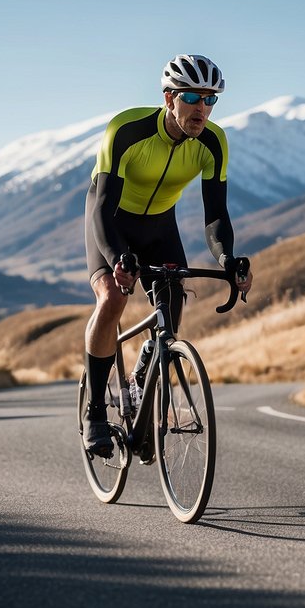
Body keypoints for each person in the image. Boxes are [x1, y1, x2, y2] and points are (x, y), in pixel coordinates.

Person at [82, 53, 253, 457]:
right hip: (112, 219)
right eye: (192, 96)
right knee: (112, 298)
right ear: (169, 97)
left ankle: (142, 379)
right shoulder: (126, 130)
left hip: (159, 226)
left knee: (171, 310)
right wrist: (119, 258)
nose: (201, 108)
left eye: (211, 99)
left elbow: (216, 215)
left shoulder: (214, 141)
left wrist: (227, 260)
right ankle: (95, 413)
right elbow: (103, 207)